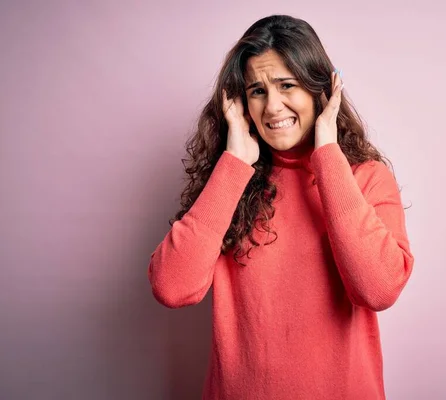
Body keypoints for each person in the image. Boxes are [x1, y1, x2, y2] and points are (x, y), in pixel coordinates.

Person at [148, 14, 415, 400]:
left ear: (319, 90)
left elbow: (378, 289)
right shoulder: (229, 181)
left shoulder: (365, 178)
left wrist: (327, 155)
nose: (273, 107)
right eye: (257, 91)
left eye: (286, 85)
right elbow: (171, 287)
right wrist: (234, 164)